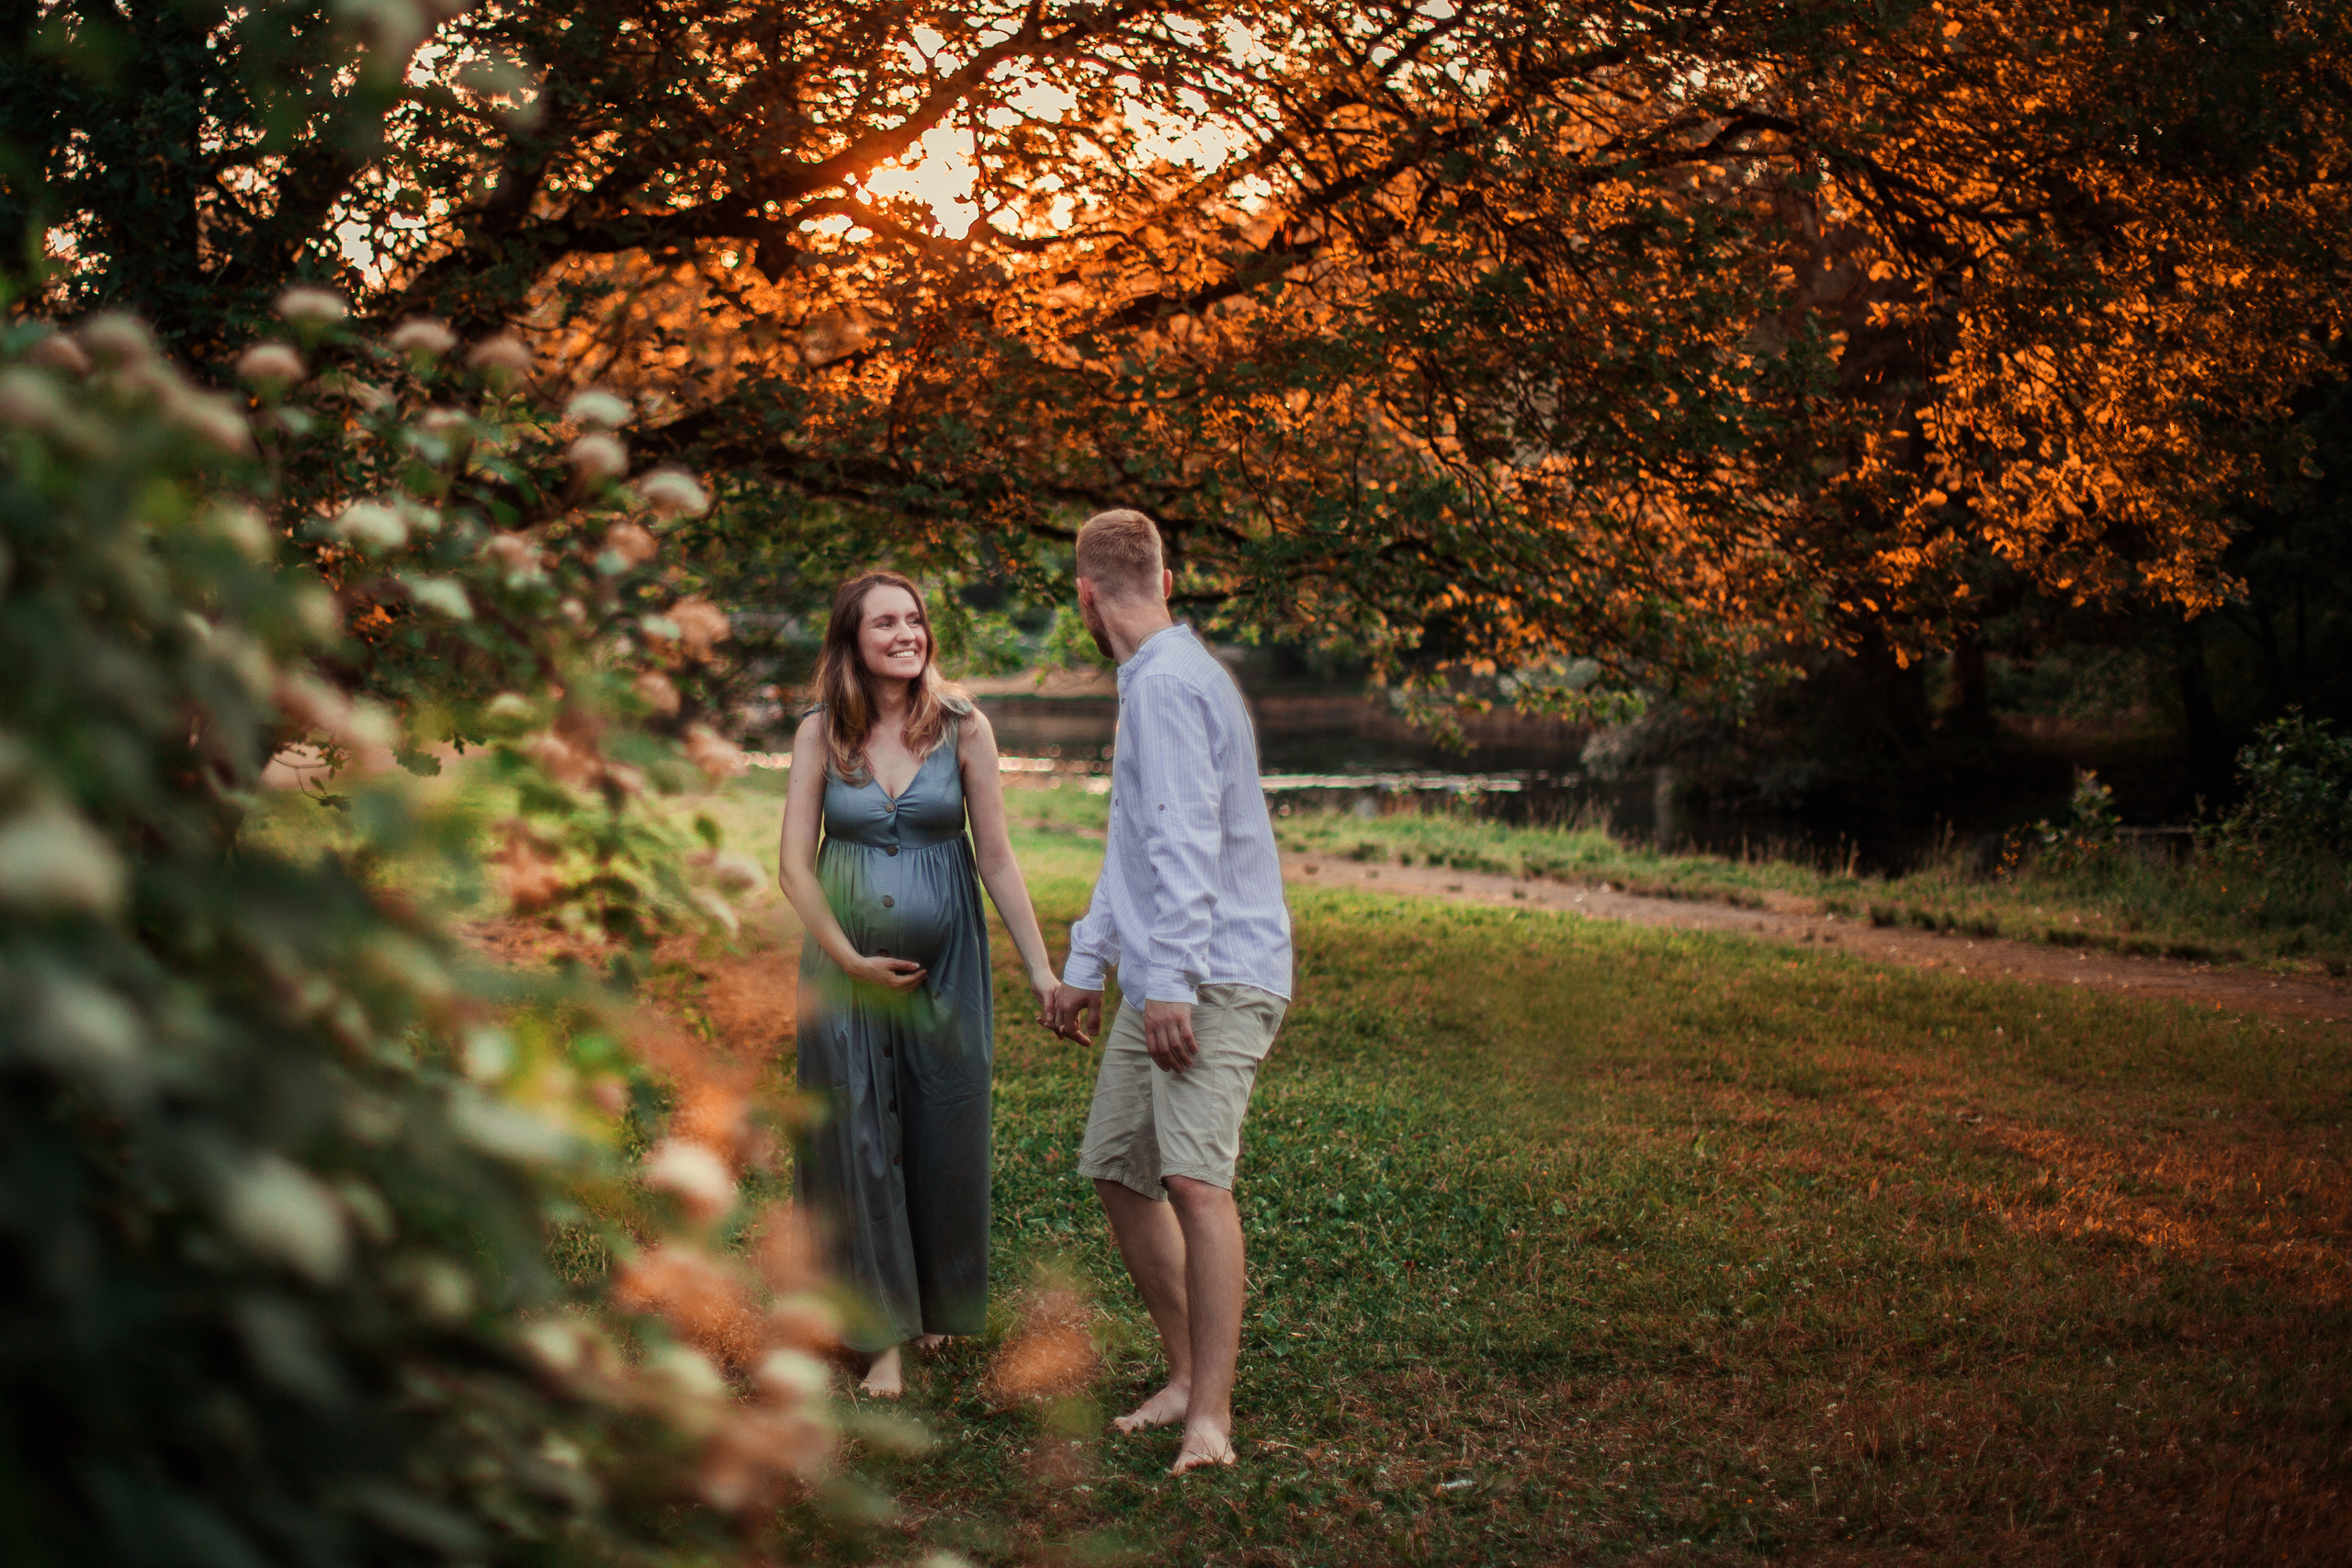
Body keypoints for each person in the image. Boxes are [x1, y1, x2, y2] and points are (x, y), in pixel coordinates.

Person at [1044, 510, 1294, 1475]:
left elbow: (1186, 842)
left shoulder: (1167, 684)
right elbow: (1136, 850)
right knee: (1119, 1164)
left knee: (1194, 1181)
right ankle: (1186, 1375)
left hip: (1213, 973)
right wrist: (1084, 966)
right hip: (1169, 972)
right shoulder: (1156, 677)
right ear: (1167, 579)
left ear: (1085, 596)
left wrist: (1172, 982)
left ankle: (1212, 1420)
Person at [778, 570, 1063, 1397]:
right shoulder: (820, 732)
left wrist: (1041, 969)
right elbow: (796, 868)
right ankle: (881, 1340)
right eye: (885, 623)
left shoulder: (965, 726)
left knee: (945, 1123)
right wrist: (850, 958)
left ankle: (937, 1303)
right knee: (859, 1137)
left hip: (952, 966)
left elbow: (998, 858)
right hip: (846, 972)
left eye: (915, 619)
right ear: (851, 640)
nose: (906, 634)